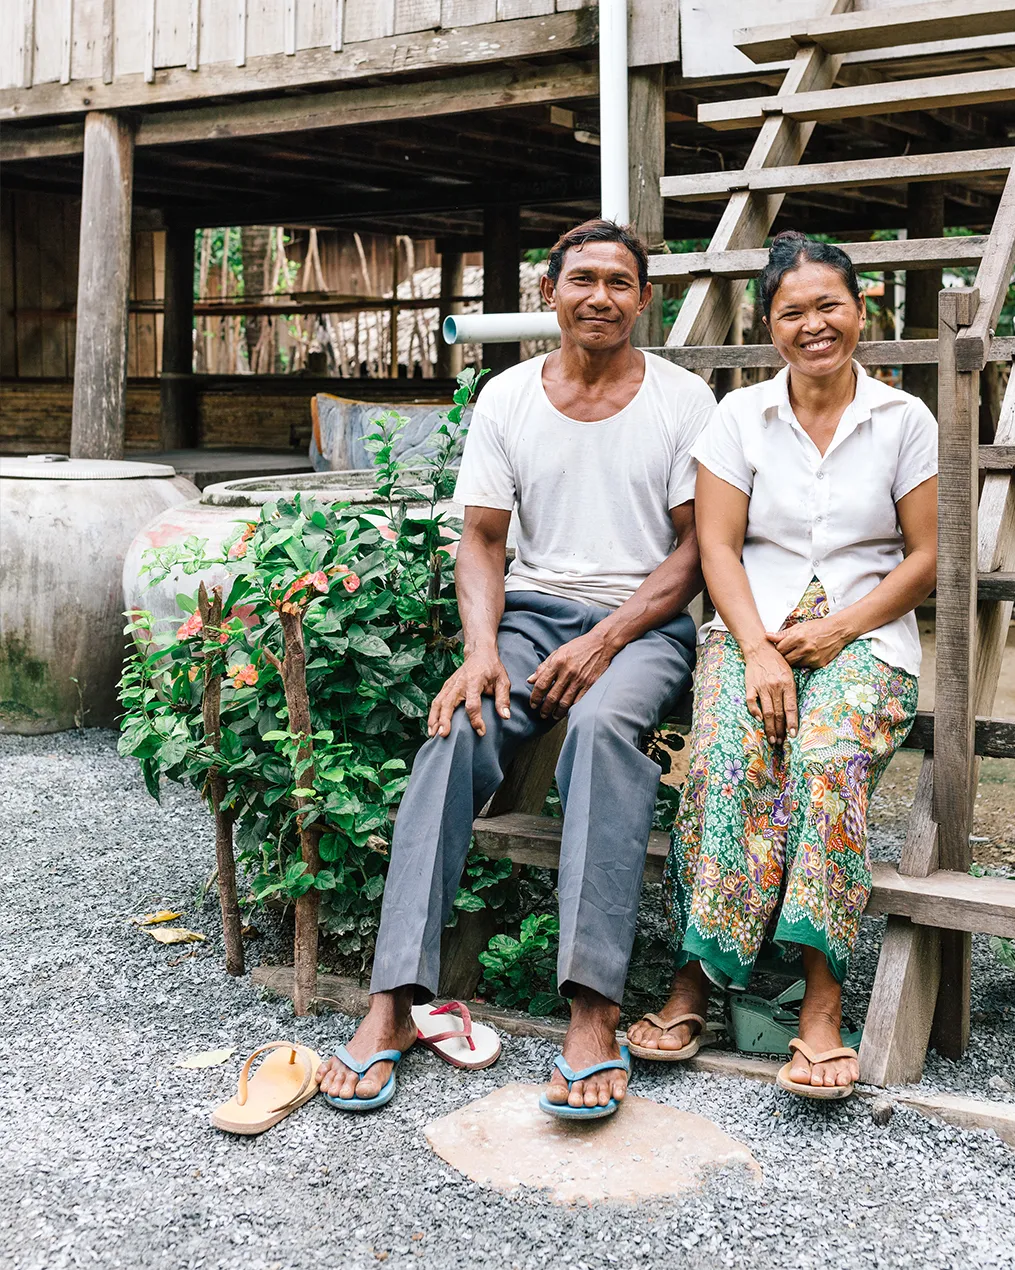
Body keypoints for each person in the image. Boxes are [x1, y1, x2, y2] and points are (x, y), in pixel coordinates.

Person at [316, 219, 716, 1118]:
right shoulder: (506, 397)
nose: (601, 296)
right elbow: (482, 542)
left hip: (642, 626)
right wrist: (482, 651)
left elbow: (696, 553)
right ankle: (391, 1006)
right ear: (551, 295)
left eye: (621, 282)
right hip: (528, 623)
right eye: (583, 280)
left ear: (644, 300)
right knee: (455, 738)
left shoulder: (685, 401)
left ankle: (592, 1011)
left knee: (608, 736)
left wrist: (606, 637)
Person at [628, 232, 938, 1098]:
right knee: (727, 760)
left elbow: (925, 559)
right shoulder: (739, 418)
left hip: (866, 637)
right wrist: (759, 649)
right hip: (747, 630)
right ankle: (697, 978)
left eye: (828, 305)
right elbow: (718, 547)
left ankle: (820, 1006)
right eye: (793, 311)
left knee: (827, 764)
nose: (814, 325)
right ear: (772, 326)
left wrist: (838, 630)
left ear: (859, 311)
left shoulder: (904, 420)